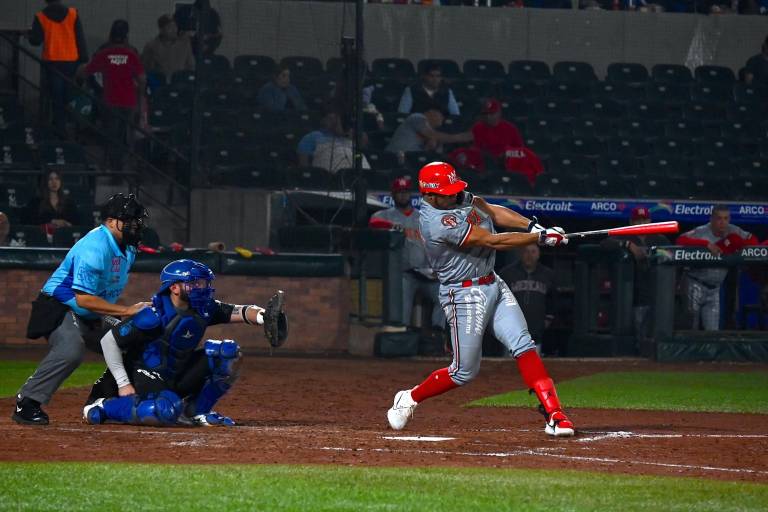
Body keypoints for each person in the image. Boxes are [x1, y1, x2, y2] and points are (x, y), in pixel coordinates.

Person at [386, 162, 575, 437]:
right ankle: (409, 398)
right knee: (463, 372)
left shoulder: (457, 196)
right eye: (447, 193)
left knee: (524, 345)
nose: (455, 195)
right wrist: (538, 238)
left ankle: (555, 413)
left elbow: (492, 211)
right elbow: (491, 241)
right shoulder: (435, 223)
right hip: (463, 295)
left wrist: (534, 226)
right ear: (430, 195)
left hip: (492, 282)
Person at [82, 260, 286, 427]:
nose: (202, 288)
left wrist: (264, 316)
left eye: (203, 283)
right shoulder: (152, 314)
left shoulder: (204, 308)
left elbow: (242, 311)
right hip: (147, 376)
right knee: (162, 410)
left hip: (178, 374)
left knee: (228, 353)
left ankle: (197, 412)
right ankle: (103, 407)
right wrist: (123, 383)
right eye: (194, 283)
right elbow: (109, 341)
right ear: (174, 287)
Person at [12, 193, 150, 426]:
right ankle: (27, 402)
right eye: (129, 220)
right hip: (59, 306)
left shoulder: (129, 248)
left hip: (92, 312)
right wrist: (126, 311)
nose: (135, 225)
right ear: (111, 221)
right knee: (72, 349)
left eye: (137, 220)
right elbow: (84, 299)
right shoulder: (95, 246)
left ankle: (101, 401)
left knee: (135, 339)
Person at [369, 177, 445, 331]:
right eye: (399, 192)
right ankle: (402, 335)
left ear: (411, 194)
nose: (403, 195)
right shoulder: (386, 215)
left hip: (426, 274)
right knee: (401, 307)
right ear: (393, 195)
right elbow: (373, 222)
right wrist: (394, 226)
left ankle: (437, 333)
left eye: (405, 192)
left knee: (446, 296)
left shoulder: (423, 217)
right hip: (404, 274)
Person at [78, 20, 146, 172]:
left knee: (111, 134)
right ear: (126, 36)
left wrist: (80, 68)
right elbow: (142, 79)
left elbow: (85, 72)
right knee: (125, 134)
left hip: (109, 100)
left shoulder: (103, 53)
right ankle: (122, 166)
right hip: (128, 101)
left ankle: (113, 166)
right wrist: (140, 96)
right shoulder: (132, 54)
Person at [677, 205, 758, 331]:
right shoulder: (702, 231)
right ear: (712, 219)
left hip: (714, 289)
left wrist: (736, 244)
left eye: (726, 218)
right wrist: (706, 244)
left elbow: (753, 241)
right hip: (694, 284)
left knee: (713, 330)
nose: (723, 222)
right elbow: (680, 240)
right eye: (719, 218)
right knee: (690, 328)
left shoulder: (733, 230)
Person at [600, 207, 670, 340]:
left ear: (650, 221)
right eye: (638, 220)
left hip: (656, 295)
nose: (642, 223)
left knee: (656, 335)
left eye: (645, 220)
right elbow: (605, 243)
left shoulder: (660, 239)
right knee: (636, 335)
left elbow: (671, 254)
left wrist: (655, 253)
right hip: (633, 296)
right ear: (631, 222)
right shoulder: (624, 236)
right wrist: (627, 244)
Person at [28, 0, 88, 132]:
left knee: (55, 96)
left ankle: (58, 128)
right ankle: (69, 126)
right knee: (69, 95)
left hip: (52, 61)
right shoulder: (73, 14)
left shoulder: (40, 16)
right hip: (71, 61)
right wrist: (84, 60)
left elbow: (35, 40)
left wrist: (29, 34)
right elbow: (80, 38)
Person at [498, 243, 555, 355]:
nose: (529, 255)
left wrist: (548, 319)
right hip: (511, 332)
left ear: (538, 255)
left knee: (532, 364)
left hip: (535, 332)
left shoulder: (548, 275)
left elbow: (552, 299)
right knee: (509, 364)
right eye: (526, 252)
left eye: (533, 252)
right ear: (521, 254)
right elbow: (498, 298)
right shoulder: (507, 274)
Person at [385, 107, 472, 154]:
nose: (441, 119)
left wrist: (432, 146)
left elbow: (431, 150)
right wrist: (459, 137)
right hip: (394, 155)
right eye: (440, 116)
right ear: (431, 112)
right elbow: (433, 135)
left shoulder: (432, 132)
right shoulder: (417, 117)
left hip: (412, 160)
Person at [140, 14, 195, 85]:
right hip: (160, 86)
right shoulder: (151, 46)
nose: (174, 30)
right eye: (169, 27)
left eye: (175, 26)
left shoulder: (184, 44)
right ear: (161, 30)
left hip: (180, 85)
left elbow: (191, 66)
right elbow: (145, 69)